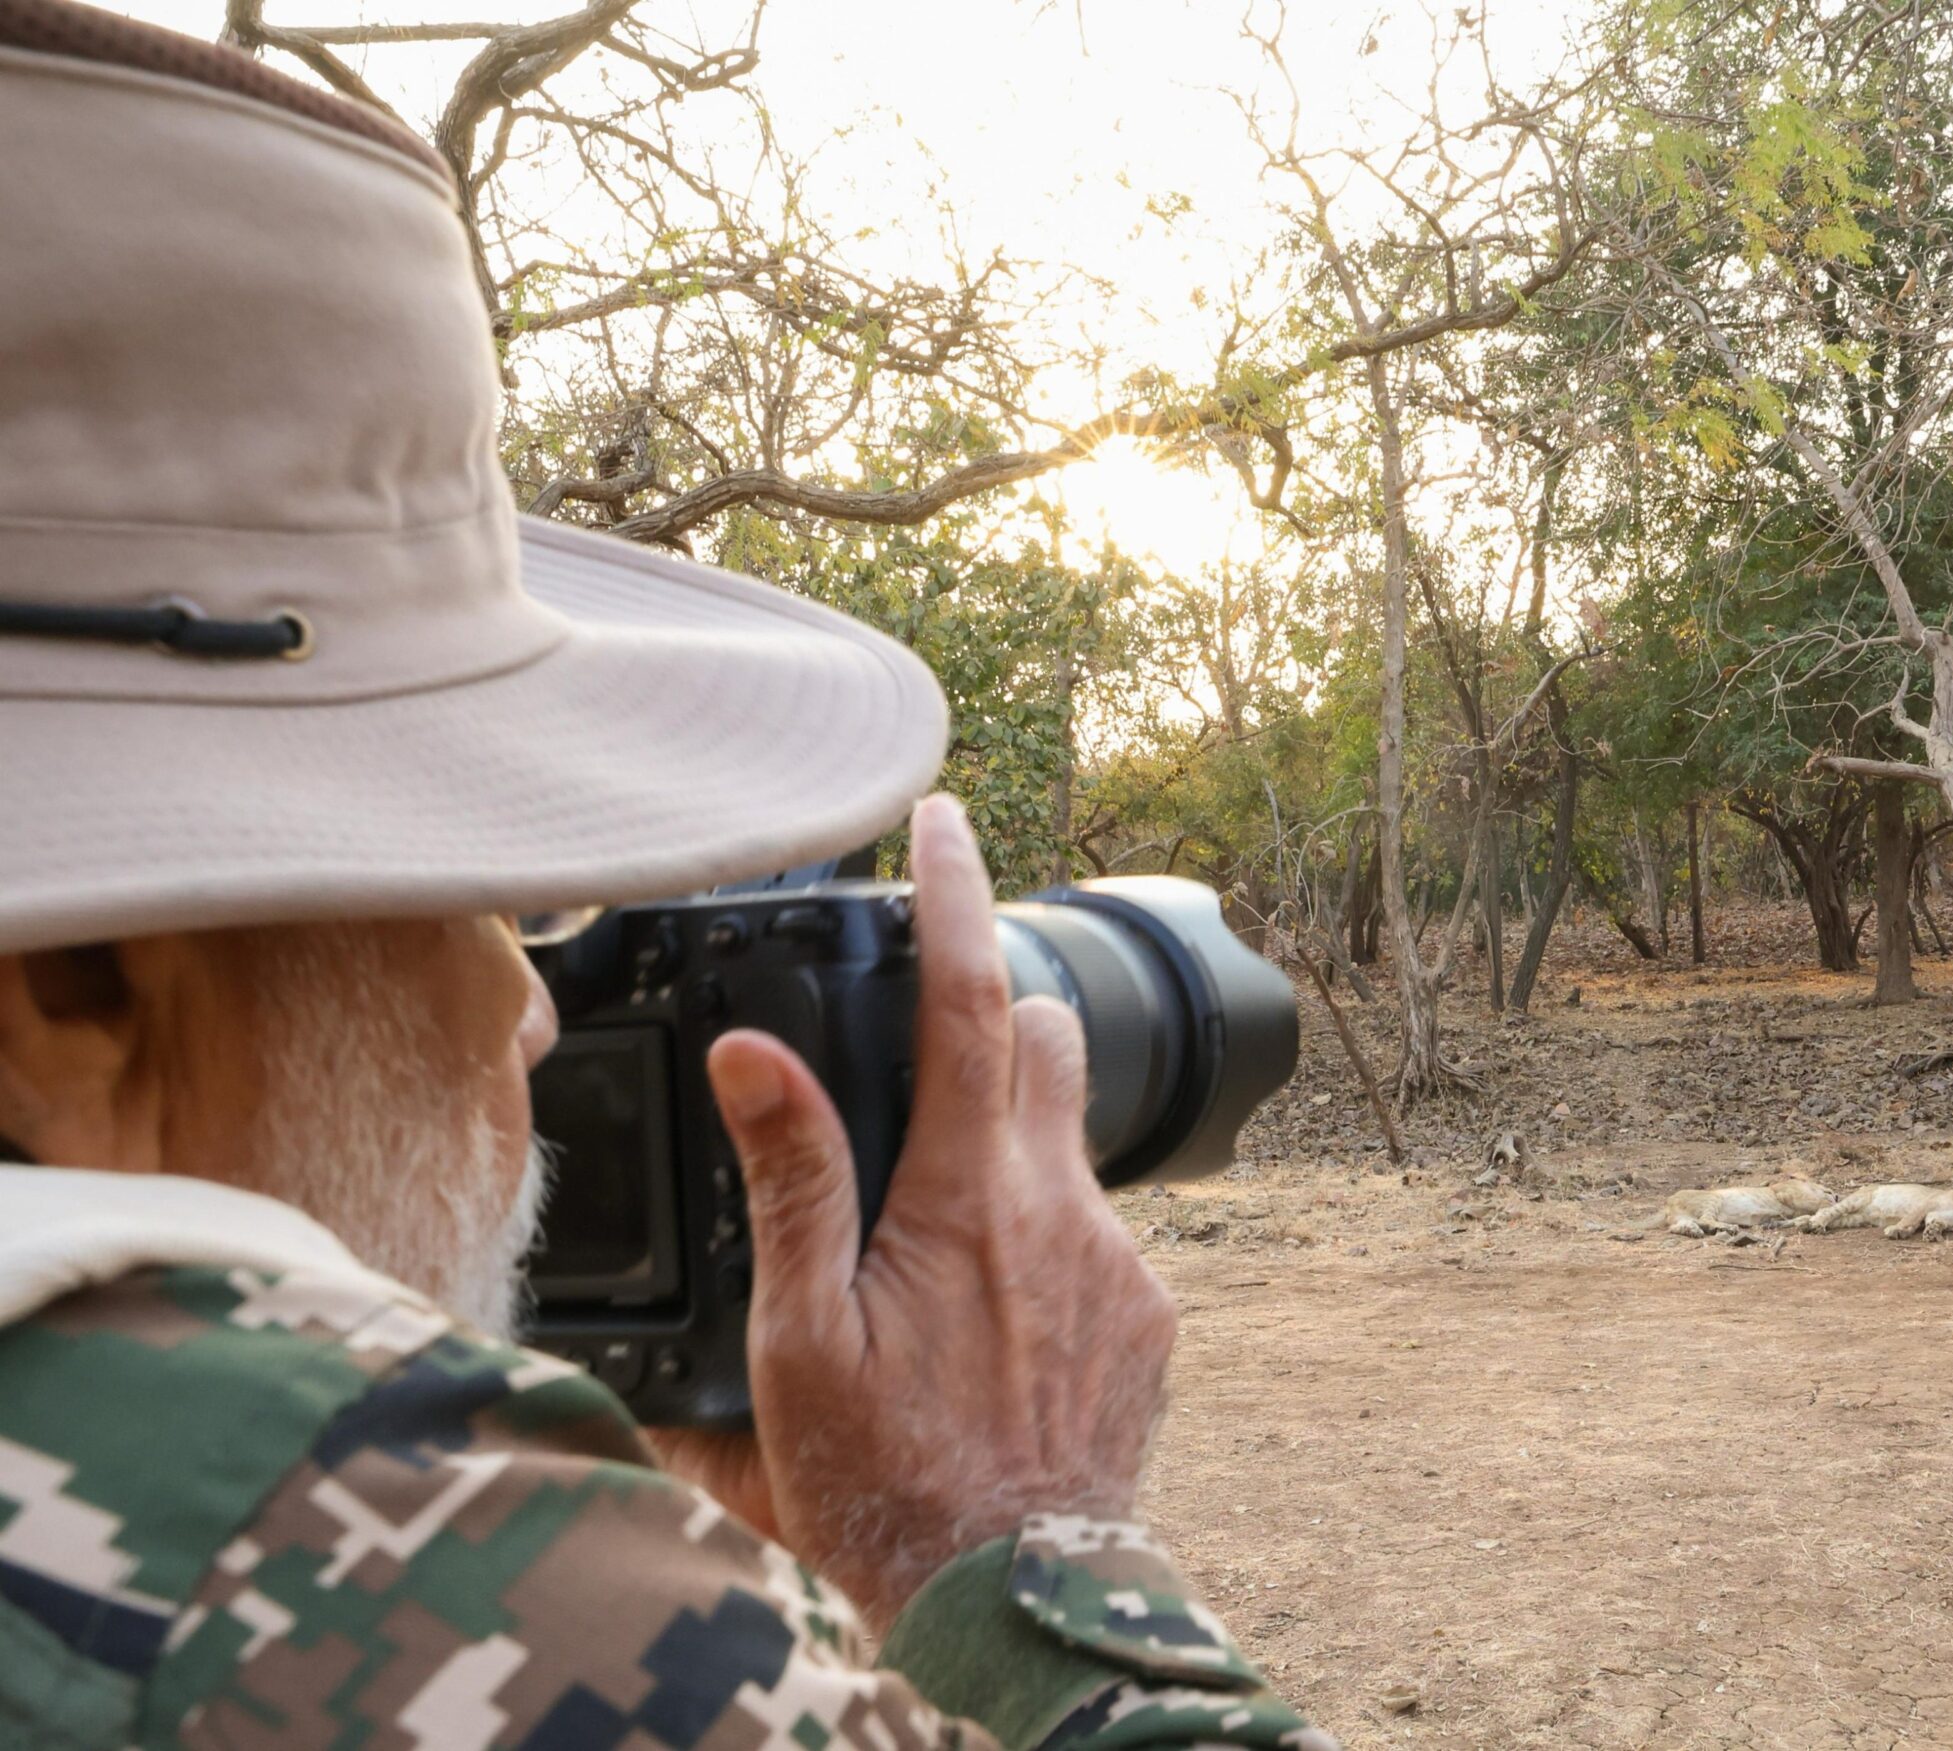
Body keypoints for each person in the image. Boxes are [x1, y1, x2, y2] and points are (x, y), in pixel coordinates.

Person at [0, 7, 1330, 1747]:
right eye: (468, 890)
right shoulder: (351, 1542)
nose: (533, 1006)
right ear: (78, 988)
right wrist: (1013, 1544)